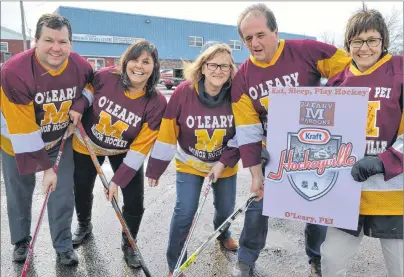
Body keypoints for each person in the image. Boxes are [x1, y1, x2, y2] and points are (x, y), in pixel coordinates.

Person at [230, 4, 353, 277]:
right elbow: (248, 129)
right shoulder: (243, 79)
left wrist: (326, 99)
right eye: (248, 39)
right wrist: (254, 170)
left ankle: (317, 257)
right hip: (273, 152)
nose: (255, 43)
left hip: (314, 147)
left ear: (275, 31)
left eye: (260, 34)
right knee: (257, 203)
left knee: (316, 204)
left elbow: (351, 70)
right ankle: (246, 259)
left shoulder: (306, 51)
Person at [0, 14, 93, 265]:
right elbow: (23, 128)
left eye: (63, 42)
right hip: (17, 142)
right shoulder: (14, 72)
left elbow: (92, 86)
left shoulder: (80, 66)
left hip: (57, 141)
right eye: (49, 40)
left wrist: (81, 103)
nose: (56, 47)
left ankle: (63, 245)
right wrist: (45, 168)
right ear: (35, 41)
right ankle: (21, 241)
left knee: (62, 194)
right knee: (19, 193)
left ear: (71, 44)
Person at [321, 8, 403, 277]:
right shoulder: (336, 82)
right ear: (348, 45)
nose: (365, 47)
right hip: (347, 194)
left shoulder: (400, 73)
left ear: (384, 42)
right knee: (331, 260)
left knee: (399, 266)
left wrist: (383, 161)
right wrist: (274, 151)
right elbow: (318, 134)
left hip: (394, 195)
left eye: (372, 40)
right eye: (357, 41)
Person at [146, 42, 240, 276]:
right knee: (185, 211)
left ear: (231, 70)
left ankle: (223, 233)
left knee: (224, 209)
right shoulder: (184, 92)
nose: (218, 70)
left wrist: (224, 162)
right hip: (190, 162)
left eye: (225, 66)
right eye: (213, 65)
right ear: (203, 67)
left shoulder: (237, 94)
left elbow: (244, 132)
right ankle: (175, 263)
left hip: (224, 165)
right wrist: (156, 168)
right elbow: (168, 130)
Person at [71, 40, 167, 268]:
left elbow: (140, 148)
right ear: (126, 61)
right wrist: (78, 106)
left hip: (123, 149)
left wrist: (117, 181)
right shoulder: (106, 76)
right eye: (135, 59)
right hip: (88, 143)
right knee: (82, 188)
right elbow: (88, 92)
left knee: (134, 199)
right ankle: (84, 225)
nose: (139, 66)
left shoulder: (156, 102)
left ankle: (129, 242)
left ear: (154, 67)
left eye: (146, 61)